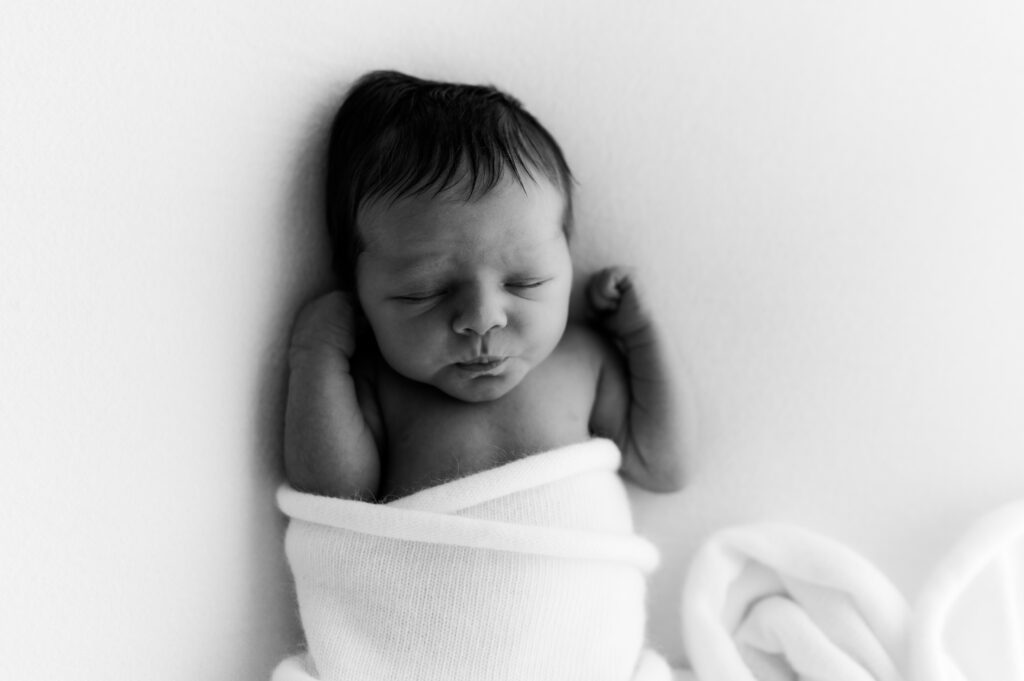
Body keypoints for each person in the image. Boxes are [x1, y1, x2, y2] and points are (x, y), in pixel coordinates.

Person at [284, 70, 688, 502]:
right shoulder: (377, 381)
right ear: (359, 291)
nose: (483, 319)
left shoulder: (584, 358)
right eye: (424, 291)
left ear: (567, 259)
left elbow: (663, 466)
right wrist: (316, 355)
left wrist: (641, 335)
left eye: (526, 281)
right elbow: (333, 493)